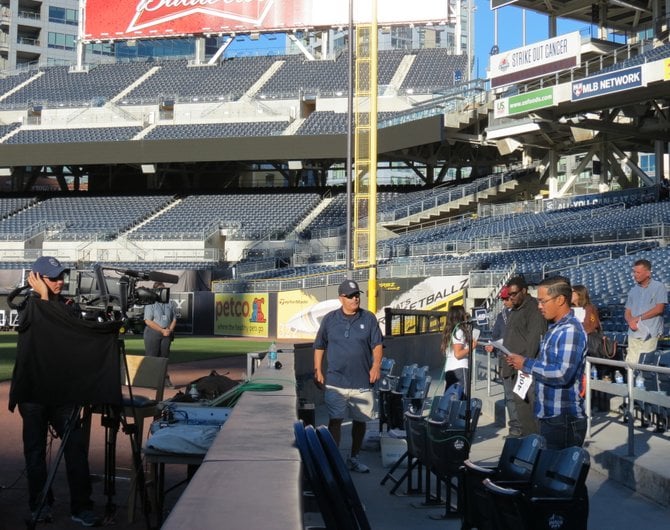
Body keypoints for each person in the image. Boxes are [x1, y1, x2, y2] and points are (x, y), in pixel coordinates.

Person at [10, 257, 101, 527]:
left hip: (63, 393)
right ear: (36, 278)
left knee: (75, 450)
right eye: (52, 277)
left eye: (61, 276)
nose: (59, 281)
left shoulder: (69, 307)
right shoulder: (28, 305)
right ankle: (40, 505)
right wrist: (41, 296)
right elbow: (36, 326)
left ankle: (81, 507)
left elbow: (67, 334)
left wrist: (48, 297)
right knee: (35, 453)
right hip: (34, 394)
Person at [506, 276, 588, 450]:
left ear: (560, 300)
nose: (539, 306)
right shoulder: (555, 329)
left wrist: (526, 364)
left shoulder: (570, 330)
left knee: (553, 474)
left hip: (563, 420)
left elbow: (561, 374)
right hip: (550, 417)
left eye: (543, 301)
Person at [313, 279, 383, 473]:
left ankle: (354, 457)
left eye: (357, 294)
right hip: (336, 381)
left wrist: (376, 365)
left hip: (362, 381)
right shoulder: (330, 319)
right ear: (341, 298)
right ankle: (334, 460)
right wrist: (317, 370)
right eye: (351, 296)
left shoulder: (368, 318)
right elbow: (319, 345)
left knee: (360, 422)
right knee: (335, 419)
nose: (355, 298)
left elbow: (377, 345)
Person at [501, 276, 547, 437]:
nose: (511, 297)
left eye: (514, 294)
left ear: (524, 291)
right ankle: (526, 441)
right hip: (513, 366)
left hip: (526, 368)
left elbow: (534, 341)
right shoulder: (514, 309)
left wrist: (525, 364)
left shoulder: (533, 309)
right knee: (520, 409)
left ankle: (533, 445)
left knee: (529, 411)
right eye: (509, 294)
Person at [624, 259, 667, 365]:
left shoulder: (659, 287)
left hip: (650, 333)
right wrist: (630, 321)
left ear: (648, 273)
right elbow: (627, 311)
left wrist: (637, 319)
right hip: (633, 332)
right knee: (630, 364)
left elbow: (659, 308)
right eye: (634, 272)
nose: (635, 275)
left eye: (638, 272)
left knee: (644, 364)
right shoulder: (633, 290)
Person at [143, 282, 177, 386]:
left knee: (164, 357)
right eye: (161, 289)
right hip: (153, 332)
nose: (163, 291)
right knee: (152, 357)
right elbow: (148, 321)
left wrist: (169, 330)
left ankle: (165, 379)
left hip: (167, 333)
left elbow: (174, 319)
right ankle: (151, 381)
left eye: (164, 289)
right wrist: (162, 330)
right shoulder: (151, 303)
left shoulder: (170, 303)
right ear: (155, 291)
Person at [440, 305, 477, 396]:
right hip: (459, 369)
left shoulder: (450, 331)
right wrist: (472, 346)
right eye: (464, 313)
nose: (466, 315)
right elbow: (458, 354)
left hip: (450, 369)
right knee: (461, 398)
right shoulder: (459, 331)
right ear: (460, 315)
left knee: (451, 398)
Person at [485, 286, 513, 382]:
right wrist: (492, 346)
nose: (504, 302)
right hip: (504, 356)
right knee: (508, 389)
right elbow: (495, 336)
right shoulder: (501, 316)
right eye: (503, 300)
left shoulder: (523, 313)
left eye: (506, 299)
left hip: (519, 355)